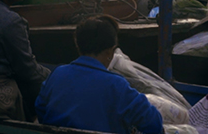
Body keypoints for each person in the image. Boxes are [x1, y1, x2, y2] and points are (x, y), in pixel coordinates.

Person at [35, 15, 163, 133]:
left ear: (78, 45)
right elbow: (153, 122)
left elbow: (40, 108)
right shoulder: (116, 85)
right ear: (110, 52)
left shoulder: (57, 75)